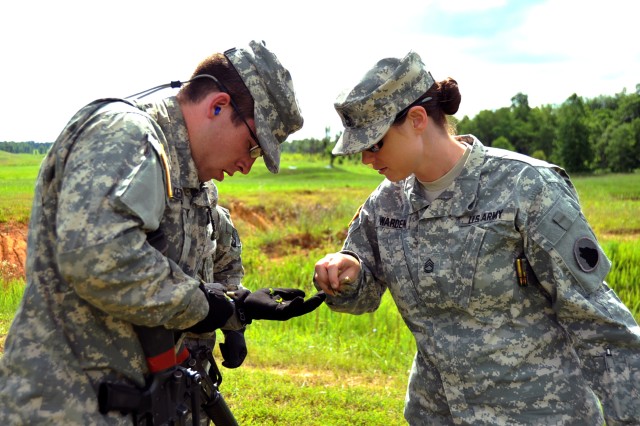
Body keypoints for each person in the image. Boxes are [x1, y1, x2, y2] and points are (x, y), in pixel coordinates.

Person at [0, 40, 325, 425]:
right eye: (252, 147)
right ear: (217, 106)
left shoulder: (184, 172)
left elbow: (184, 267)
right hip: (70, 409)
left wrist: (235, 307)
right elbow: (99, 260)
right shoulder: (127, 134)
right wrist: (208, 306)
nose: (246, 166)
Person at [313, 50, 640, 425]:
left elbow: (599, 324)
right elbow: (362, 295)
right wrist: (347, 271)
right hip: (436, 414)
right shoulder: (386, 203)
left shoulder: (527, 188)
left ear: (417, 119)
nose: (366, 160)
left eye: (374, 144)